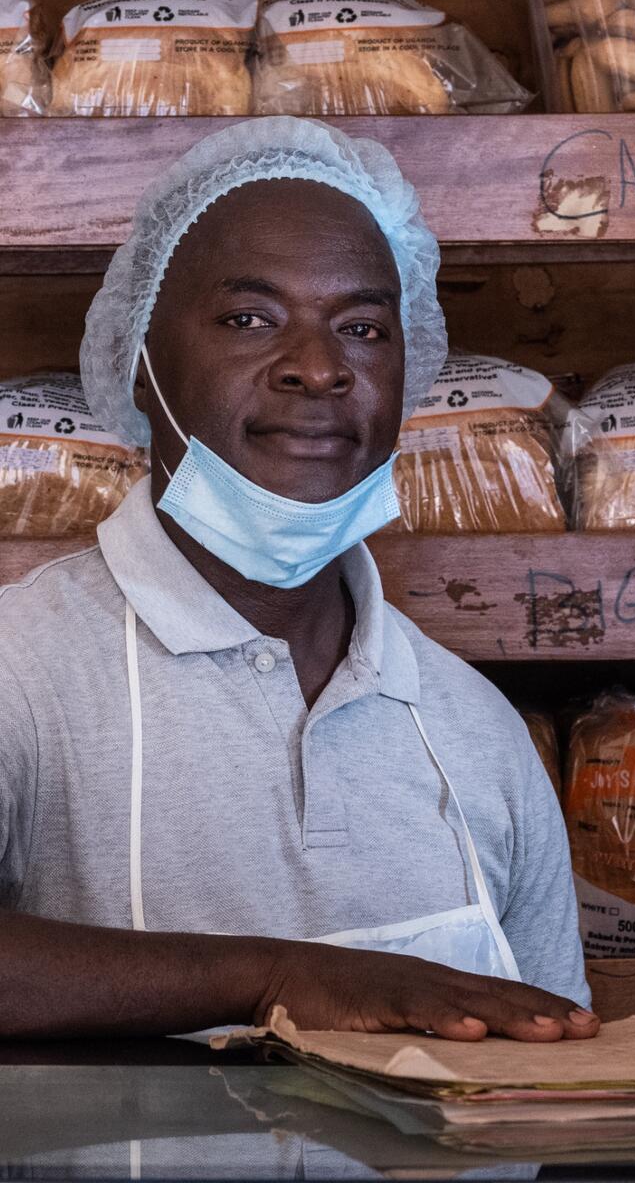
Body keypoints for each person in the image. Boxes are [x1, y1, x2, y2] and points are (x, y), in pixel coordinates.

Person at [0, 117, 597, 1042]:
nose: (318, 369)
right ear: (142, 362)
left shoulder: (474, 732)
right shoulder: (23, 670)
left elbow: (557, 1075)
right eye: (249, 320)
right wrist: (275, 977)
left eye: (361, 328)